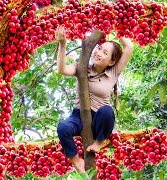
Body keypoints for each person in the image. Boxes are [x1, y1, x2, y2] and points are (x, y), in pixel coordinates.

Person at [55, 28, 134, 173]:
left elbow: (129, 47)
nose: (98, 53)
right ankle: (75, 160)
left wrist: (113, 23)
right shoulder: (82, 67)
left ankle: (98, 142)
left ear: (111, 62)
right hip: (78, 116)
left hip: (99, 119)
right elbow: (62, 70)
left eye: (105, 53)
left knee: (107, 111)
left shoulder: (113, 72)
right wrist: (62, 44)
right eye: (99, 49)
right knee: (63, 128)